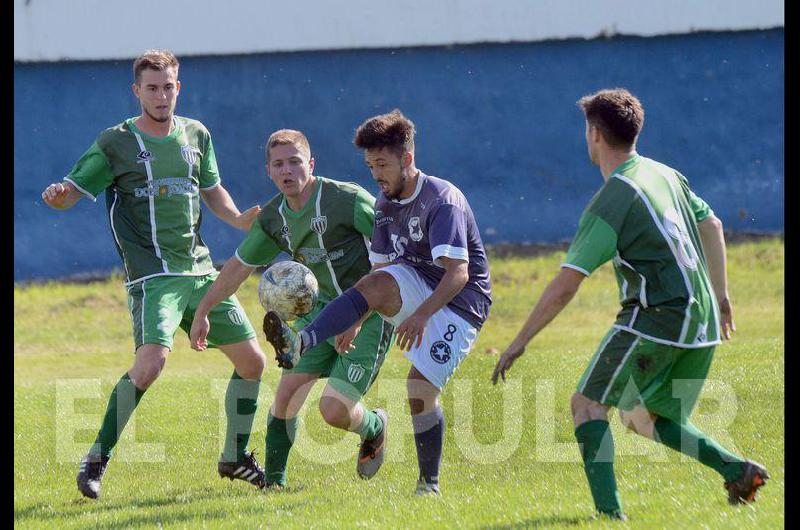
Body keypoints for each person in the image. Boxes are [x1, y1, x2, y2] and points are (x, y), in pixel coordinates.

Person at [491, 88, 768, 519]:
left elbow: (567, 282)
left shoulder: (613, 200)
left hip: (657, 317)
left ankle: (609, 516)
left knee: (586, 404)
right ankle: (736, 469)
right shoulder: (665, 174)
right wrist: (722, 295)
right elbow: (711, 224)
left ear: (595, 134)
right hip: (702, 319)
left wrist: (520, 341)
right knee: (641, 417)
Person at [41, 49, 269, 499]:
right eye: (152, 88)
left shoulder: (197, 135)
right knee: (150, 365)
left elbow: (212, 189)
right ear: (137, 91)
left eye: (168, 87)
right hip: (154, 277)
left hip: (201, 270)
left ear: (178, 88)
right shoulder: (116, 142)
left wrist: (240, 219)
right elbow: (73, 190)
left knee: (253, 362)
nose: (161, 96)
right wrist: (59, 196)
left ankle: (234, 456)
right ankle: (95, 459)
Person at [261, 109, 492, 495]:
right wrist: (353, 319)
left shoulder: (442, 200)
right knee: (377, 281)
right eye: (370, 166)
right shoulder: (385, 205)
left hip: (460, 301)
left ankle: (428, 485)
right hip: (415, 283)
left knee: (419, 389)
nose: (376, 175)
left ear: (408, 159)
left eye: (382, 164)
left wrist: (420, 316)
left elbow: (458, 274)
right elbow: (376, 280)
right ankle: (302, 341)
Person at [189, 129, 395, 488]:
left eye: (295, 162)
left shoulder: (345, 200)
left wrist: (359, 315)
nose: (288, 171)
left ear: (310, 165)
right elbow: (238, 267)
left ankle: (375, 427)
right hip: (322, 315)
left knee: (333, 411)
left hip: (371, 312)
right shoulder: (273, 218)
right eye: (279, 164)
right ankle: (275, 484)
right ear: (268, 171)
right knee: (285, 398)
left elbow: (389, 255)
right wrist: (204, 309)